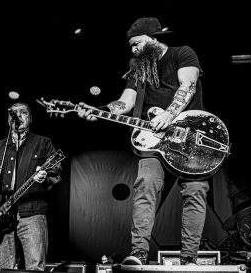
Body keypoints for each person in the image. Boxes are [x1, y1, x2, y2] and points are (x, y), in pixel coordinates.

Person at [78, 17, 209, 266]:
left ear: (153, 39)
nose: (133, 49)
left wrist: (170, 114)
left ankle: (189, 258)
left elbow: (188, 85)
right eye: (130, 45)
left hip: (189, 137)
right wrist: (99, 109)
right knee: (145, 185)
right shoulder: (138, 71)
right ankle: (137, 253)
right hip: (153, 141)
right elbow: (124, 104)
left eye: (136, 43)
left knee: (195, 191)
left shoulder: (182, 53)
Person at [0, 102, 62, 272]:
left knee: (34, 267)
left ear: (30, 118)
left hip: (33, 213)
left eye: (23, 112)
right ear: (9, 120)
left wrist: (44, 176)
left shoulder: (43, 143)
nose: (18, 115)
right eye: (13, 113)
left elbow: (55, 171)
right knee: (0, 268)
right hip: (1, 216)